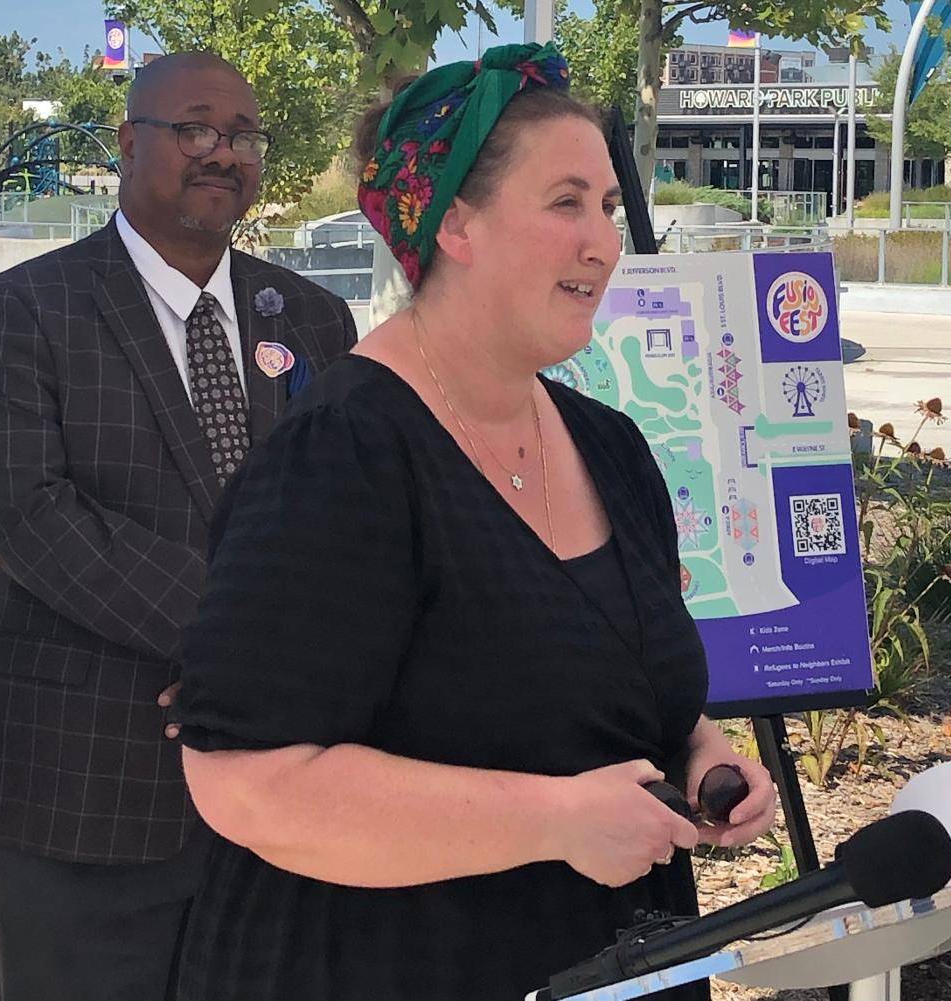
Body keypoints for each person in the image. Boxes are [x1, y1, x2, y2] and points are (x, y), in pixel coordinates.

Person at [174, 43, 776, 1001]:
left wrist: (702, 754)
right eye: (567, 202)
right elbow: (244, 780)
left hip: (622, 961)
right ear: (455, 222)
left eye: (611, 209)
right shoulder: (343, 454)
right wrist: (553, 819)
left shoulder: (612, 446)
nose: (604, 240)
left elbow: (619, 686)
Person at [0, 52, 356, 1001]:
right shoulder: (22, 312)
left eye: (243, 136)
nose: (222, 153)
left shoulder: (316, 319)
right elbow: (28, 514)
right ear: (127, 144)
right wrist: (237, 642)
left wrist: (296, 665)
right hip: (88, 793)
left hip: (287, 799)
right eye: (194, 129)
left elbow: (351, 525)